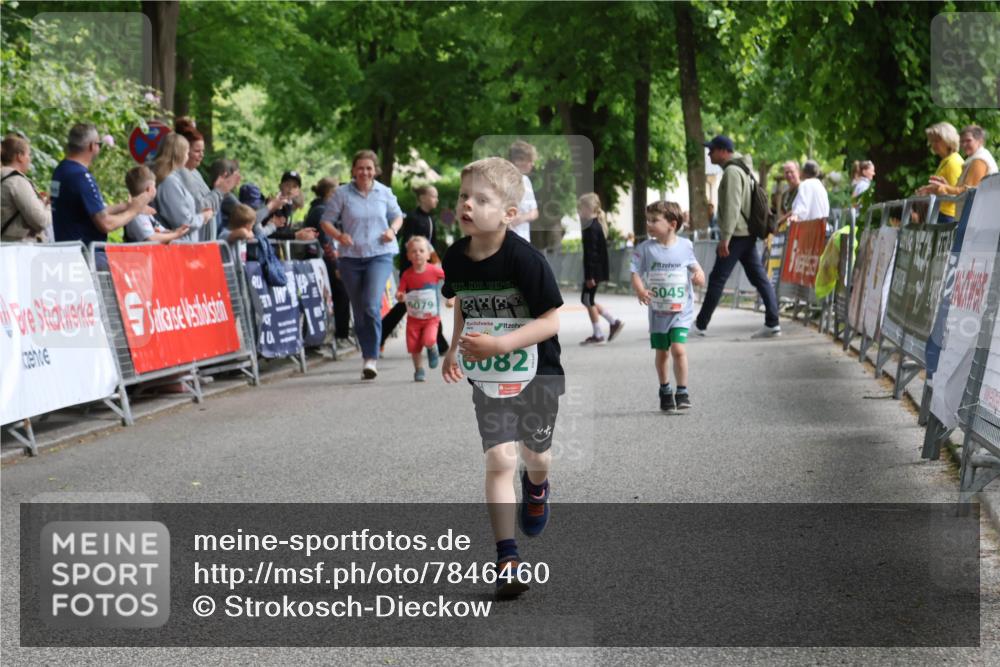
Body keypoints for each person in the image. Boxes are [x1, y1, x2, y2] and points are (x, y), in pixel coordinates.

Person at [441, 157, 563, 600]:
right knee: (499, 459)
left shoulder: (525, 260)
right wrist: (453, 347)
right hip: (489, 378)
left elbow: (551, 321)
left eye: (481, 199)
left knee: (536, 457)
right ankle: (507, 557)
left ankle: (537, 487)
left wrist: (502, 344)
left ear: (510, 213)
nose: (467, 205)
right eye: (463, 196)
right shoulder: (455, 256)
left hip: (538, 373)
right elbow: (463, 300)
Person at [320, 150, 404, 380]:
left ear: (375, 170)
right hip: (350, 257)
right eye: (360, 168)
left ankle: (371, 357)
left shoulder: (384, 192)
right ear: (353, 170)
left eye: (369, 168)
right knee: (359, 310)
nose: (364, 172)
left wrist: (392, 230)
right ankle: (367, 354)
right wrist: (339, 236)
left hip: (380, 254)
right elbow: (326, 221)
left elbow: (398, 216)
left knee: (371, 304)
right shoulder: (342, 194)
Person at [694, 135, 781, 338]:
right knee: (758, 277)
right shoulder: (742, 169)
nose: (709, 154)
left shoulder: (732, 171)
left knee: (717, 278)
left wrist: (726, 237)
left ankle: (700, 325)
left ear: (723, 151)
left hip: (737, 234)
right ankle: (772, 322)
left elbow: (733, 206)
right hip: (745, 233)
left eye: (712, 150)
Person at [631, 201, 706, 411]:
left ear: (672, 224)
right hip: (658, 312)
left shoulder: (685, 246)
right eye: (647, 220)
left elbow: (696, 267)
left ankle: (682, 391)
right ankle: (665, 389)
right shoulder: (645, 249)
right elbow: (635, 272)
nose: (649, 224)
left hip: (681, 310)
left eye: (654, 220)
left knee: (678, 349)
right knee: (662, 352)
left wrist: (699, 275)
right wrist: (640, 290)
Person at [51, 123, 154, 243]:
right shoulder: (81, 177)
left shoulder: (61, 170)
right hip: (84, 251)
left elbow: (92, 211)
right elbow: (106, 224)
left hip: (66, 248)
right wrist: (134, 211)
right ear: (92, 146)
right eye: (99, 144)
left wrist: (127, 206)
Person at [381, 184, 450, 355]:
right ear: (423, 198)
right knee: (417, 305)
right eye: (433, 196)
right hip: (412, 272)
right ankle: (440, 345)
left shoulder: (431, 219)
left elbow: (431, 247)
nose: (436, 200)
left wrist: (436, 265)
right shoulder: (413, 218)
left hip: (426, 270)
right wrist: (411, 271)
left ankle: (378, 336)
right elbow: (409, 245)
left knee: (422, 304)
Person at [304, 177, 352, 348]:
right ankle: (339, 335)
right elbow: (326, 242)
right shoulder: (321, 211)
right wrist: (336, 265)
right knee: (341, 292)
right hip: (323, 261)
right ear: (331, 193)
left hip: (324, 260)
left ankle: (339, 334)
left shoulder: (324, 209)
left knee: (340, 294)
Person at [396, 236, 445, 382]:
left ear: (428, 255)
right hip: (414, 318)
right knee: (414, 347)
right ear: (408, 256)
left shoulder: (433, 271)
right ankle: (418, 370)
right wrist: (400, 296)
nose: (417, 253)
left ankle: (432, 348)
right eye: (413, 251)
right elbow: (400, 292)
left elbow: (449, 279)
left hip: (431, 318)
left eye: (421, 251)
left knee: (429, 339)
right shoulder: (407, 275)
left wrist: (451, 296)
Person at [577, 192, 624, 345]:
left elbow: (592, 254)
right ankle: (613, 322)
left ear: (588, 208)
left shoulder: (591, 227)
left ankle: (599, 334)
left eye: (581, 208)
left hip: (593, 272)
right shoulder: (595, 225)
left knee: (587, 300)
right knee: (587, 299)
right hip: (596, 271)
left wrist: (590, 276)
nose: (579, 211)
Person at [152, 132, 213, 241]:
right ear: (179, 154)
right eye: (186, 152)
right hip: (180, 245)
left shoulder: (173, 179)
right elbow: (183, 222)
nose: (187, 156)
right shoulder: (169, 182)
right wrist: (203, 216)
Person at [922, 124, 998, 197]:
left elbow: (969, 192)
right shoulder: (975, 158)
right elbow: (963, 190)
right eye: (962, 141)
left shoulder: (979, 160)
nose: (964, 145)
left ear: (980, 141)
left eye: (968, 140)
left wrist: (944, 188)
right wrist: (946, 186)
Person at [1, 133, 51, 242]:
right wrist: (49, 206)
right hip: (19, 248)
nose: (30, 159)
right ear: (19, 156)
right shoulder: (17, 182)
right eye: (28, 154)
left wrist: (39, 202)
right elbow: (41, 221)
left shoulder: (4, 178)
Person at [123, 165, 189, 243]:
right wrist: (176, 235)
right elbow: (151, 238)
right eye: (154, 186)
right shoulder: (137, 214)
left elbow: (159, 231)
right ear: (149, 189)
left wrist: (174, 232)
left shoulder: (145, 211)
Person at [174, 118, 215, 240]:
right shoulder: (181, 174)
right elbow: (200, 206)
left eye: (202, 151)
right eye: (197, 151)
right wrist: (220, 190)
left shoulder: (195, 172)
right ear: (184, 151)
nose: (202, 155)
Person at [916, 122, 963, 223]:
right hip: (942, 213)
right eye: (932, 141)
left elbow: (957, 194)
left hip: (948, 215)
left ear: (949, 140)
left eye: (937, 140)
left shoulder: (953, 162)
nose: (933, 144)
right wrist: (929, 190)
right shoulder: (946, 160)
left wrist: (933, 191)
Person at [508, 140, 538, 243]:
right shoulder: (501, 181)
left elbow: (535, 212)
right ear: (517, 160)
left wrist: (520, 219)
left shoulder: (526, 181)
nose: (532, 164)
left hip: (523, 239)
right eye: (529, 160)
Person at [775, 161, 800, 231]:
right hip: (787, 230)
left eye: (792, 172)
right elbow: (782, 212)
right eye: (786, 172)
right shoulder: (785, 194)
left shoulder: (802, 189)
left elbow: (798, 209)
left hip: (800, 229)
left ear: (798, 172)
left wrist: (780, 220)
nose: (789, 174)